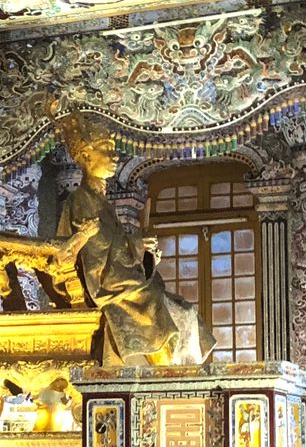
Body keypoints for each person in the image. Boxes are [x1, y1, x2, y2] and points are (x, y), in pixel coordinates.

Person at [53, 102, 216, 365]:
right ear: (86, 157)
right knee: (153, 302)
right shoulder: (81, 199)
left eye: (113, 150)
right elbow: (96, 248)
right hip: (106, 283)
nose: (114, 156)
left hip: (121, 275)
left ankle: (181, 369)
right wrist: (136, 243)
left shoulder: (101, 200)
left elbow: (114, 241)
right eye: (106, 150)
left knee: (183, 308)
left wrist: (142, 251)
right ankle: (165, 371)